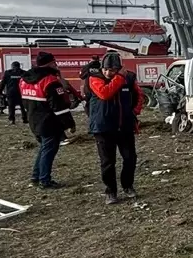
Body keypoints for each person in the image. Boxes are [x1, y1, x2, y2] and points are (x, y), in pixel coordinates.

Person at [87, 51, 144, 205]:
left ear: (119, 68)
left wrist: (134, 112)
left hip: (124, 126)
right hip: (103, 128)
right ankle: (111, 191)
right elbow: (105, 94)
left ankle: (128, 185)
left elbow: (139, 96)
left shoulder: (130, 79)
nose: (108, 73)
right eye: (105, 69)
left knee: (130, 158)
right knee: (107, 162)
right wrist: (119, 78)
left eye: (112, 70)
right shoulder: (94, 79)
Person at [19, 51, 75, 189]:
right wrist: (69, 123)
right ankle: (45, 180)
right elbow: (58, 106)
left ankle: (36, 175)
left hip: (34, 120)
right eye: (55, 62)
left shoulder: (23, 80)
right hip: (49, 122)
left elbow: (24, 102)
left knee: (44, 148)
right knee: (49, 150)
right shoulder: (50, 81)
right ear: (50, 63)